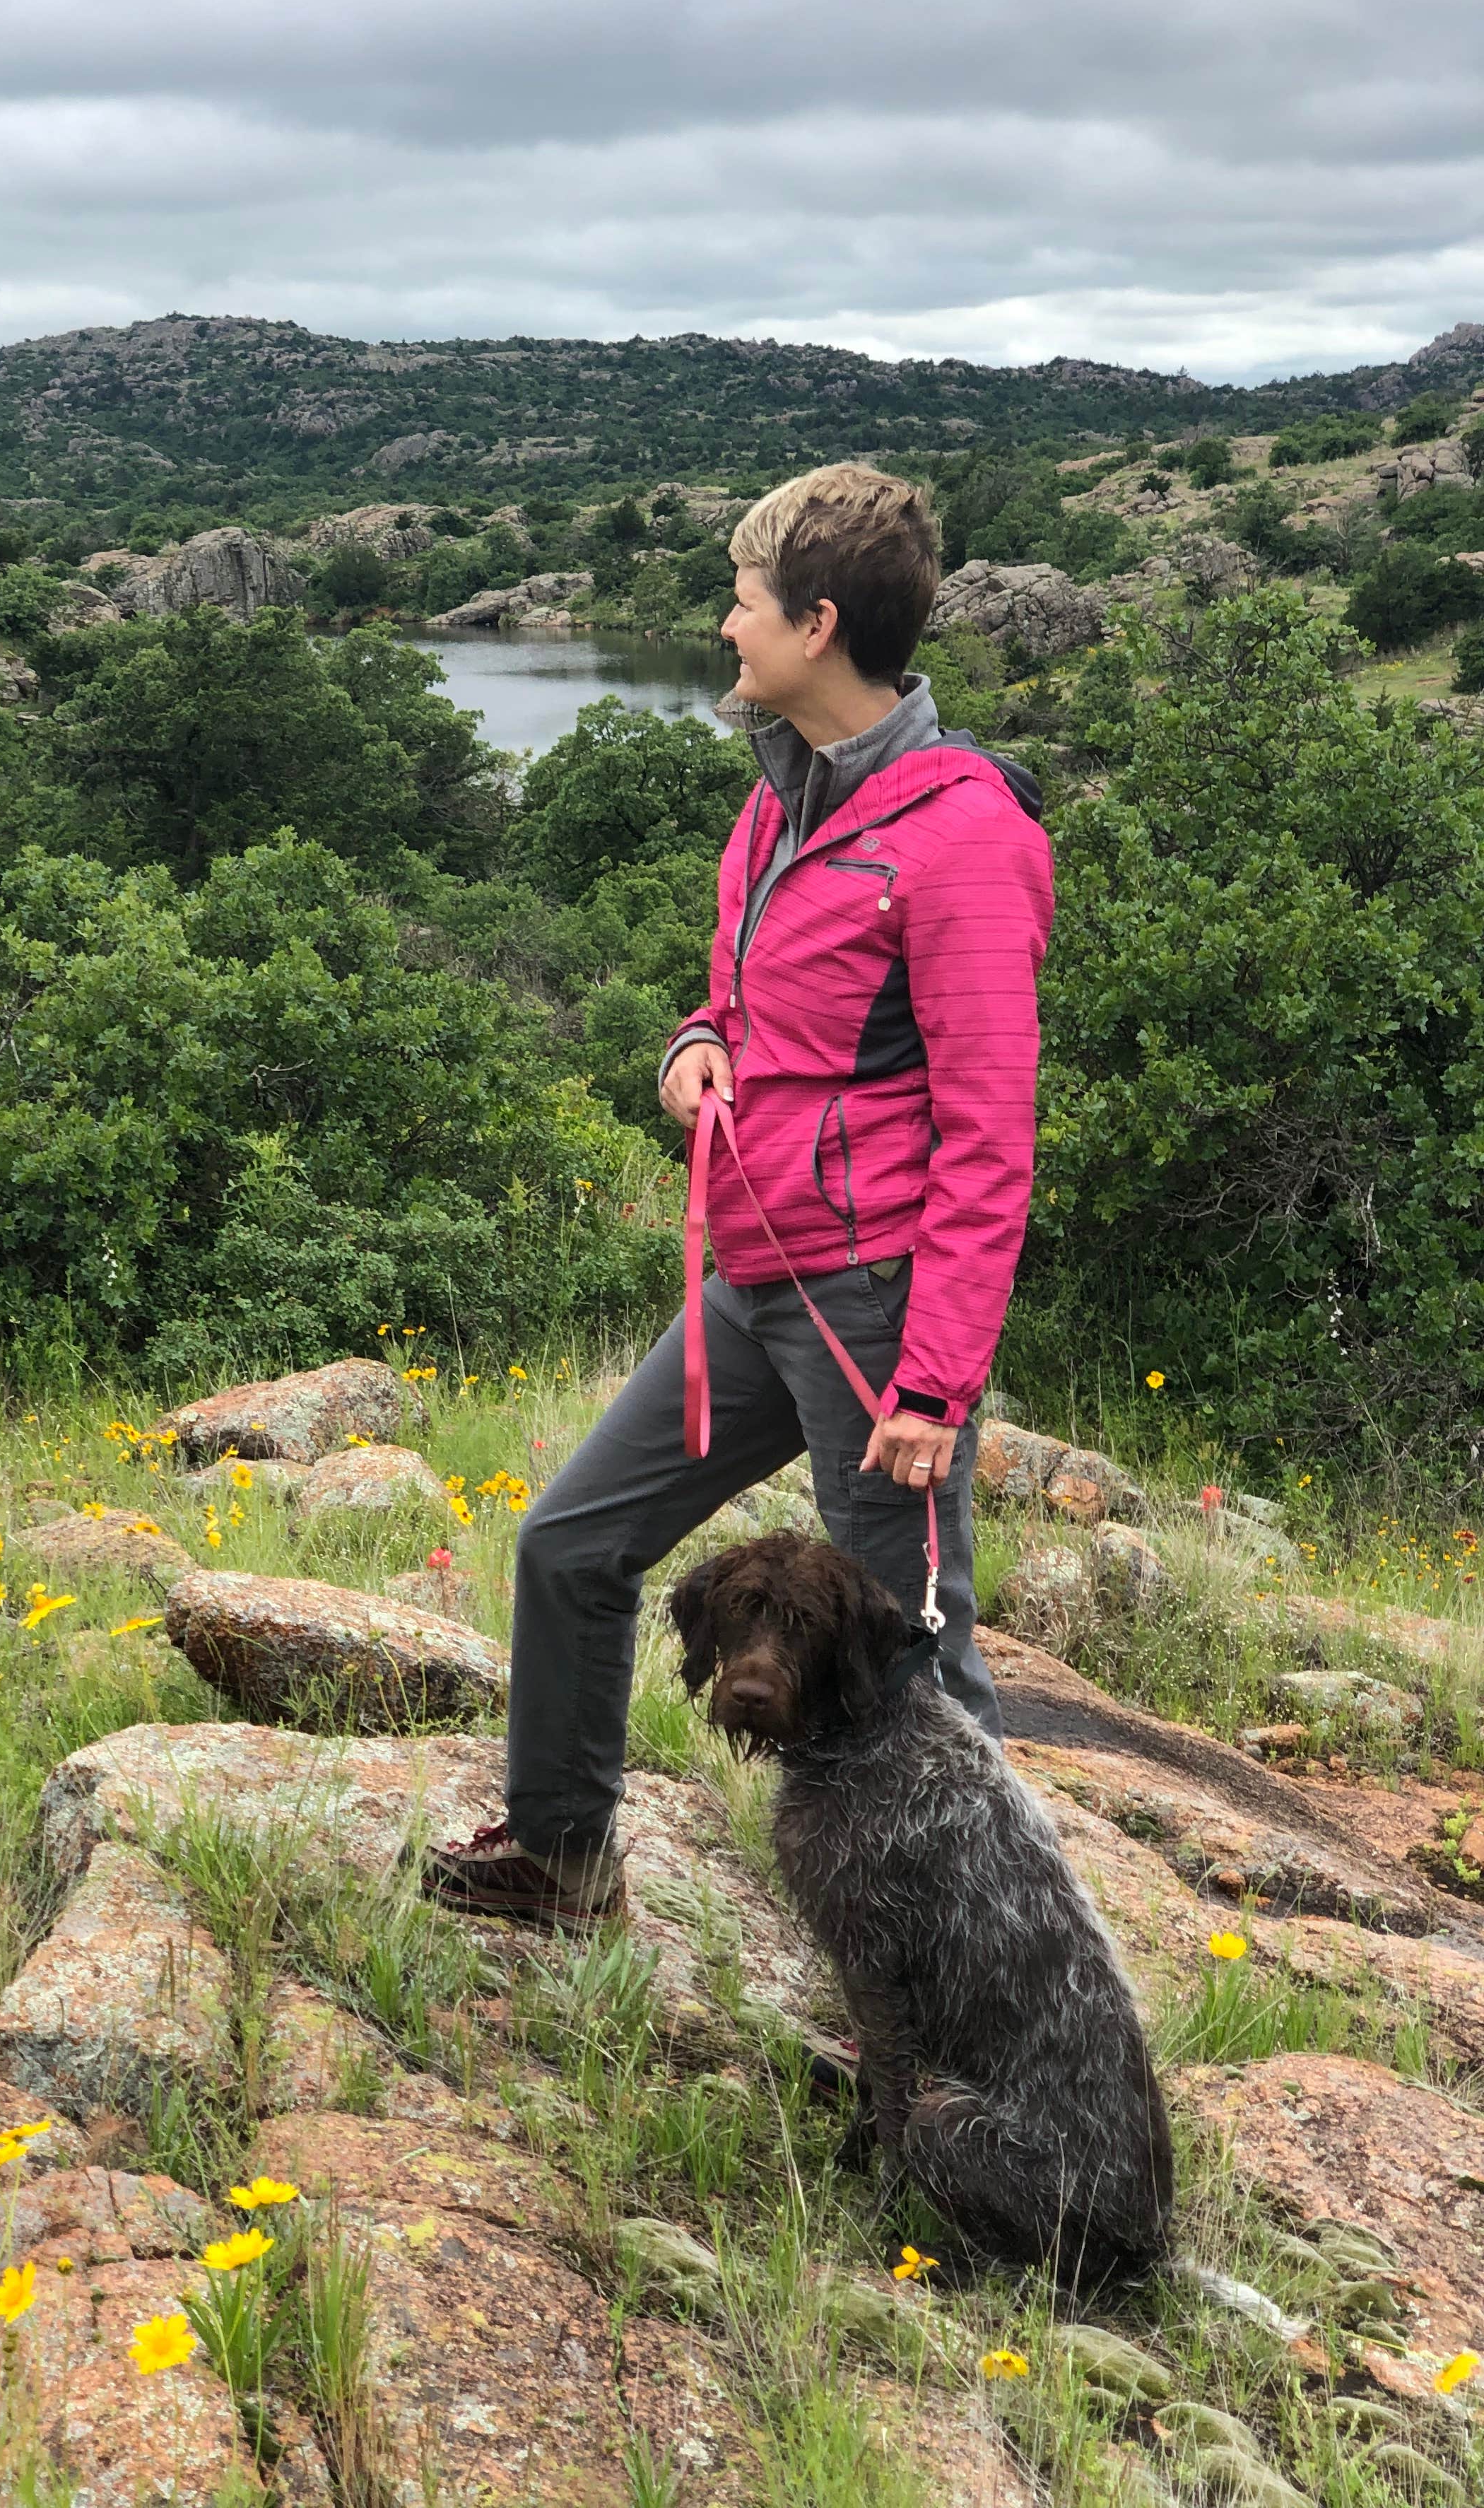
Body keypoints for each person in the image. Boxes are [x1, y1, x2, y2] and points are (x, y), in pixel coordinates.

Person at [423, 463, 1055, 1923]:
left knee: (912, 1667)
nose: (724, 628)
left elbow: (989, 1134)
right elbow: (736, 994)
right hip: (756, 1280)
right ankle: (563, 1857)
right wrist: (696, 1045)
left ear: (819, 625)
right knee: (574, 1545)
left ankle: (972, 1999)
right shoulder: (780, 802)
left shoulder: (960, 837)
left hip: (877, 1312)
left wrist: (936, 1382)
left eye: (746, 604)